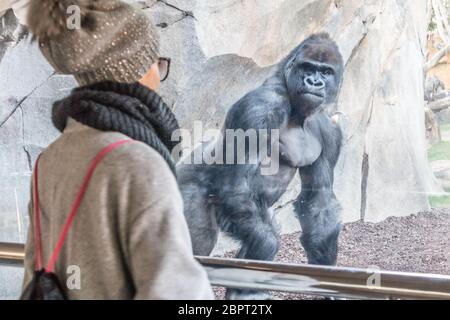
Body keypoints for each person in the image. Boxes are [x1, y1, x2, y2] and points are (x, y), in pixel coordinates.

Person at [22, 0, 213, 300]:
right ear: (136, 70)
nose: (158, 74)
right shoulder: (138, 163)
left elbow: (35, 272)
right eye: (156, 61)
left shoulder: (50, 159)